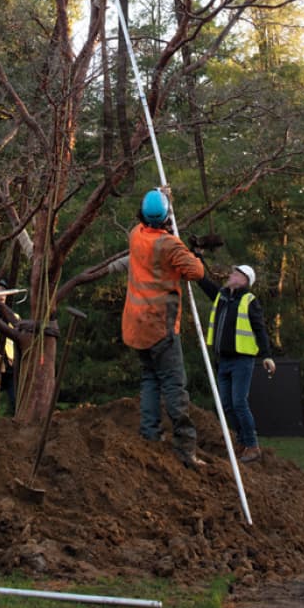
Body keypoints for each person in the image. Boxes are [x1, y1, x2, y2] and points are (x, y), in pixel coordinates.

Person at [121, 188, 207, 469]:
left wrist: (165, 197)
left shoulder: (135, 235)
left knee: (150, 378)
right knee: (174, 385)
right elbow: (196, 272)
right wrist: (194, 254)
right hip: (160, 326)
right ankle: (185, 448)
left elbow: (153, 221)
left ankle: (150, 434)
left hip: (136, 326)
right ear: (167, 218)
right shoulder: (170, 245)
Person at [199, 261, 275, 463]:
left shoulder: (249, 301)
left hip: (242, 360)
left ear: (244, 280)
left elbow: (260, 329)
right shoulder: (222, 297)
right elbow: (202, 280)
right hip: (223, 360)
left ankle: (252, 445)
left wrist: (266, 355)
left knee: (239, 403)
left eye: (235, 273)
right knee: (226, 405)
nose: (230, 275)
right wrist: (196, 258)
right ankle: (241, 441)